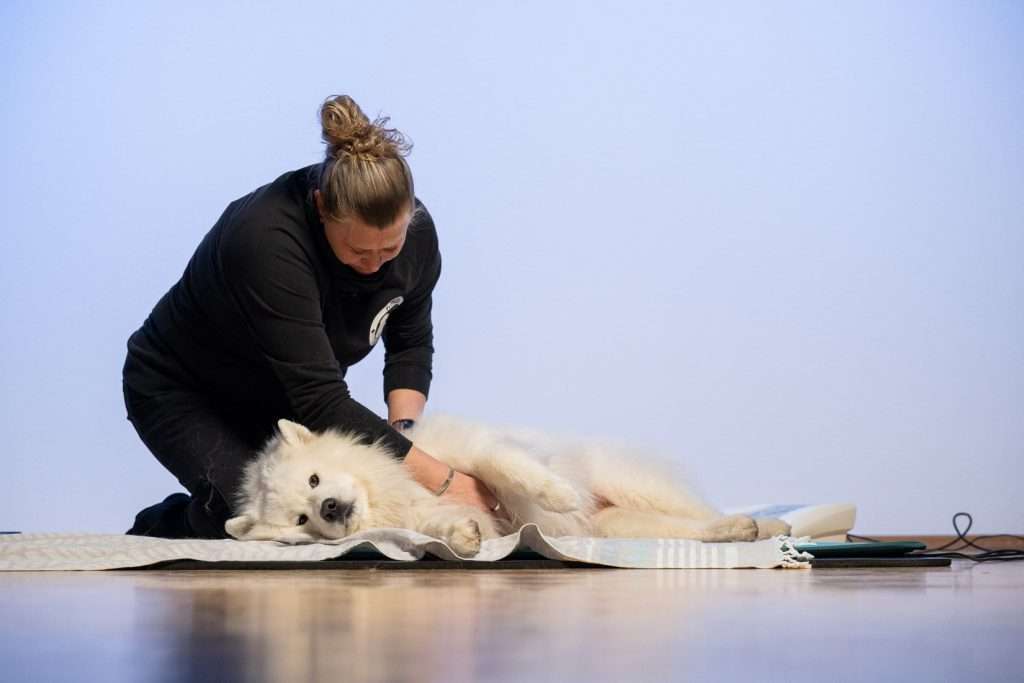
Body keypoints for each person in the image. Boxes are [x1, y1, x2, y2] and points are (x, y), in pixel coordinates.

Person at [122, 94, 498, 539]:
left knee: (331, 519)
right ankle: (161, 524)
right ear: (321, 208)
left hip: (284, 396)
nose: (375, 265)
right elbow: (322, 401)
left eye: (389, 249)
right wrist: (449, 483)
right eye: (358, 251)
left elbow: (410, 343)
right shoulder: (265, 242)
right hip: (183, 389)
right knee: (249, 522)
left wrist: (408, 438)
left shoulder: (417, 236)